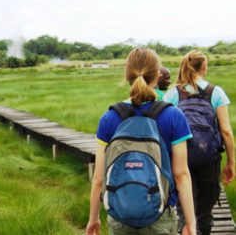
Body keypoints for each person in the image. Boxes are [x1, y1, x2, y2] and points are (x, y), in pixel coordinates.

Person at [85, 47, 196, 235]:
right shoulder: (173, 116)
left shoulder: (109, 118)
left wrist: (93, 218)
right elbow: (181, 175)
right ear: (158, 75)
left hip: (120, 217)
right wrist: (191, 223)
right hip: (159, 216)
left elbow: (98, 179)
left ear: (127, 74)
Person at [163, 50, 235, 235]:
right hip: (209, 158)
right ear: (204, 66)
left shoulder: (172, 94)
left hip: (181, 159)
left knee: (184, 210)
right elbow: (226, 131)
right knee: (205, 210)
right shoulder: (215, 92)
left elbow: (165, 131)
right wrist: (231, 163)